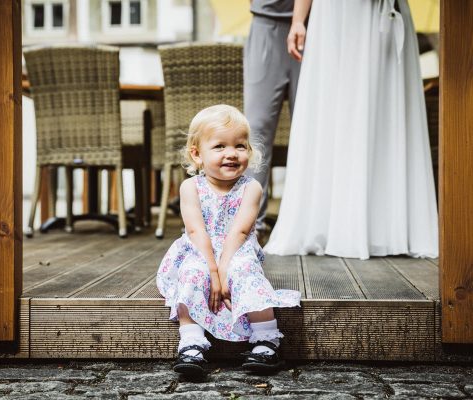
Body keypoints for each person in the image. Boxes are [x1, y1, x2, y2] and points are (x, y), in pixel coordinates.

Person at [265, 0, 438, 259]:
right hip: (334, 15)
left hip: (379, 14)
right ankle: (329, 223)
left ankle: (386, 227)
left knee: (382, 108)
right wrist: (298, 20)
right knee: (336, 105)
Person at [156, 105, 300, 377]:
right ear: (197, 155)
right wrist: (212, 269)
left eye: (240, 145)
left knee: (244, 270)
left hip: (237, 249)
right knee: (192, 273)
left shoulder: (251, 187)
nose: (231, 153)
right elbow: (196, 232)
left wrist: (224, 268)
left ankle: (266, 340)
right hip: (200, 250)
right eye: (220, 146)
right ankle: (191, 341)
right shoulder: (190, 187)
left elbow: (240, 232)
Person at [244, 0, 301, 237]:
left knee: (313, 131)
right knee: (256, 130)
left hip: (315, 28)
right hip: (265, 24)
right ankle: (251, 222)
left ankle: (307, 219)